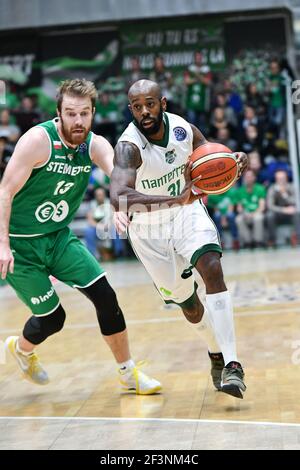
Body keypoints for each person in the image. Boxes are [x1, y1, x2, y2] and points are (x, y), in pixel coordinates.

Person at [0, 78, 161, 395]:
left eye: (84, 113)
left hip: (58, 238)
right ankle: (21, 349)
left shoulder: (94, 144)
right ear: (58, 113)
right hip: (21, 245)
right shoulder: (37, 141)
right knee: (53, 319)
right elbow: (4, 191)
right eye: (71, 113)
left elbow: (119, 174)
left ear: (93, 113)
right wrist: (2, 244)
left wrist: (119, 202)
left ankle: (128, 373)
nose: (78, 121)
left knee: (106, 297)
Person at [110, 79, 248, 399]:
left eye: (150, 103)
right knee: (190, 305)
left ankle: (232, 364)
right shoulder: (128, 147)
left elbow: (207, 156)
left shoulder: (183, 128)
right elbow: (119, 198)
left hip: (187, 213)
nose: (145, 111)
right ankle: (215, 353)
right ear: (131, 109)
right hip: (148, 230)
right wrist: (175, 199)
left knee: (211, 266)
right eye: (137, 106)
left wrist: (232, 160)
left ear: (163, 103)